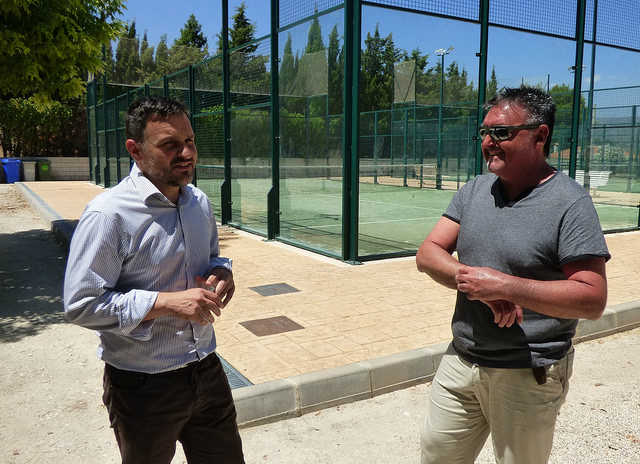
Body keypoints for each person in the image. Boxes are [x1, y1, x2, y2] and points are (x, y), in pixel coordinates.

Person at [416, 86, 609, 464]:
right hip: (461, 360)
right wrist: (477, 284)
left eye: (501, 132)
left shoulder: (570, 203)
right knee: (437, 456)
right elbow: (428, 253)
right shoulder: (474, 191)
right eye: (484, 132)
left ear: (540, 135)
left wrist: (506, 286)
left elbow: (591, 298)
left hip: (528, 373)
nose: (488, 142)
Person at [63, 96, 244, 463]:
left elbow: (212, 257)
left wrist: (222, 271)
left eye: (189, 141)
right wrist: (165, 303)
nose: (186, 153)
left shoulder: (199, 203)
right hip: (142, 386)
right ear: (135, 150)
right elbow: (81, 304)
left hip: (207, 369)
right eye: (170, 145)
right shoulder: (109, 215)